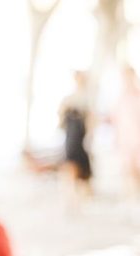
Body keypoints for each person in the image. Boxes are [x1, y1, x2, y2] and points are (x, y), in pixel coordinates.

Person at [111, 66, 140, 199]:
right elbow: (116, 121)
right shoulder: (120, 98)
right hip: (125, 140)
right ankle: (133, 200)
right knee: (128, 171)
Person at [59, 71, 93, 200]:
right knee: (71, 165)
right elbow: (61, 117)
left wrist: (89, 136)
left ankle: (80, 195)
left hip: (80, 137)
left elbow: (91, 118)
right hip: (71, 137)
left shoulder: (86, 98)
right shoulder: (68, 98)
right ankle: (71, 195)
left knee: (83, 169)